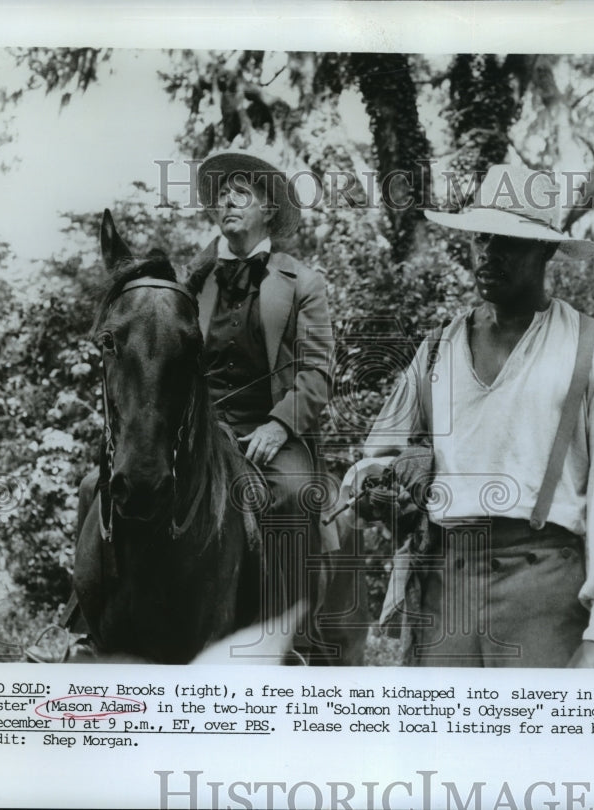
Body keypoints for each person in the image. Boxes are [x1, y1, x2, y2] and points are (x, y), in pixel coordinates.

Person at [352, 163, 594, 668]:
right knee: (443, 745)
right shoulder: (436, 348)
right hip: (447, 591)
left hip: (544, 594)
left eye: (509, 240)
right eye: (481, 237)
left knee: (539, 746)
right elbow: (371, 462)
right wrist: (386, 480)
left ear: (547, 249)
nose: (488, 253)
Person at [186, 152, 365, 664]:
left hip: (270, 435)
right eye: (222, 193)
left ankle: (293, 642)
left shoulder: (302, 282)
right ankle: (86, 623)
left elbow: (316, 374)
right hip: (201, 432)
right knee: (106, 486)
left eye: (241, 192)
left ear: (267, 207)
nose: (227, 201)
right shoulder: (196, 281)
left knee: (290, 494)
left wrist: (279, 424)